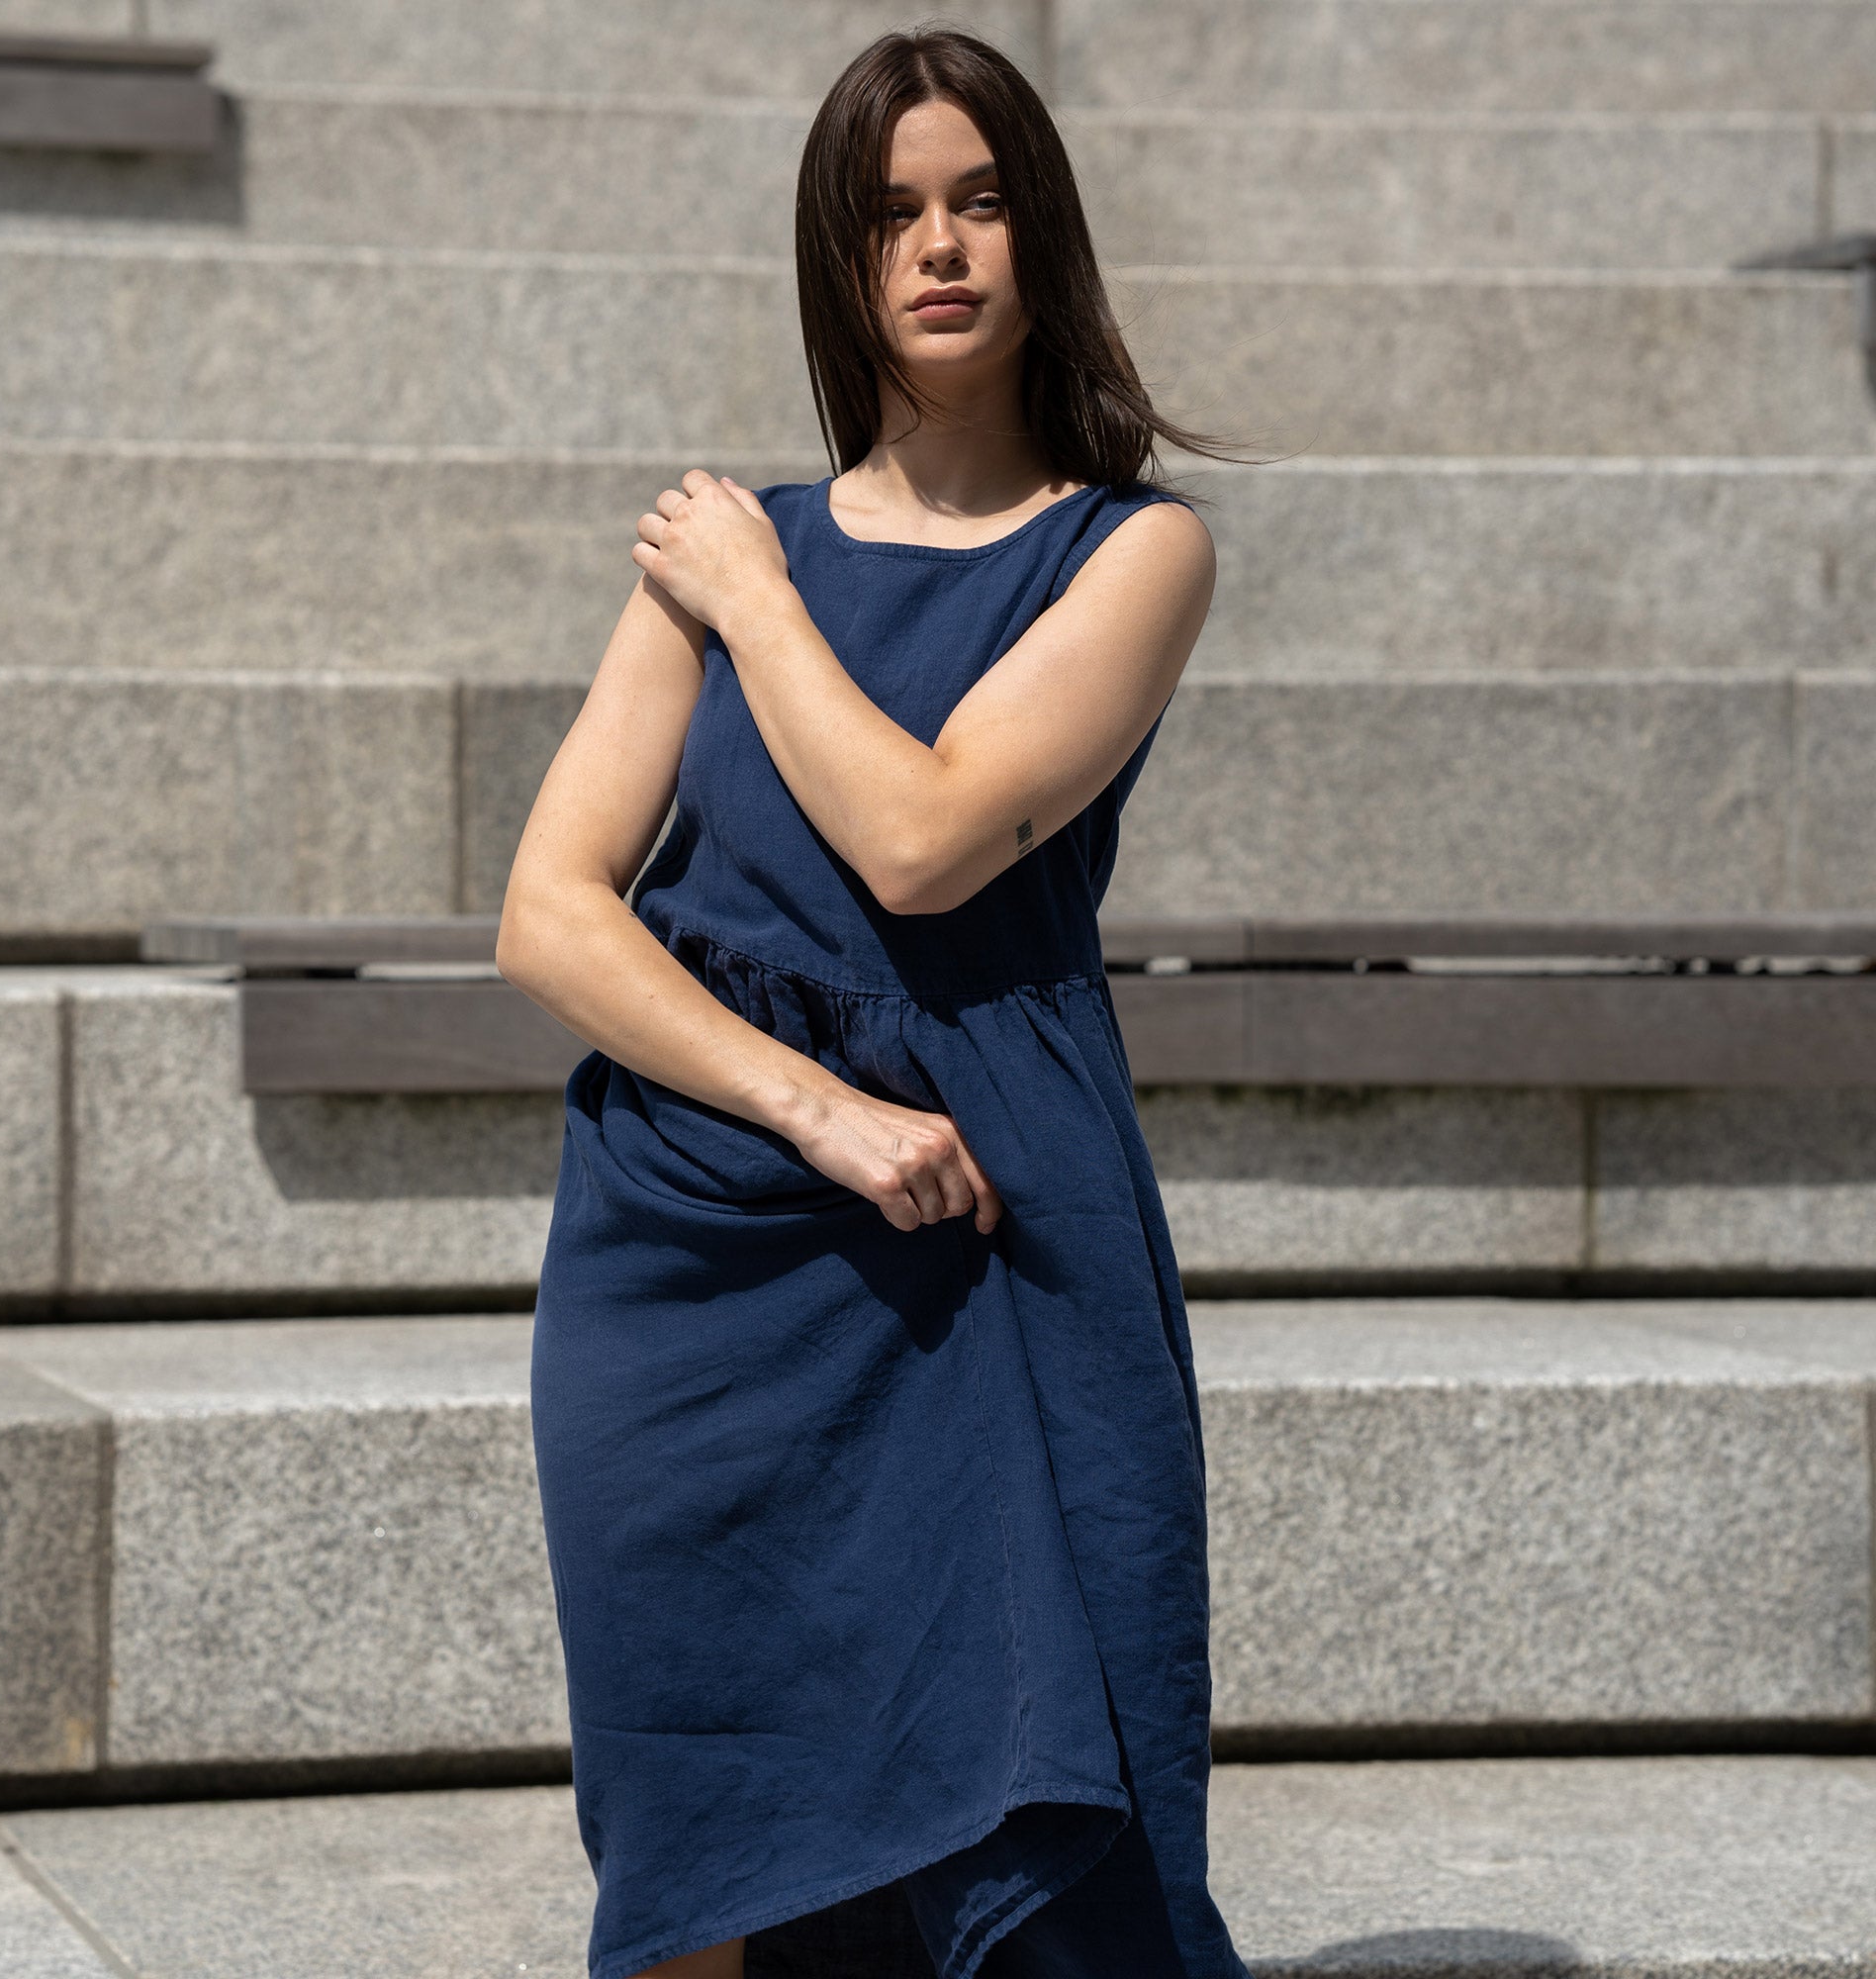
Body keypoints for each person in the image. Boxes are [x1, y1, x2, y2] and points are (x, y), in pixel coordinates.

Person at [497, 23, 1265, 1979]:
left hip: (997, 1222)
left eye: (980, 200)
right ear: (837, 263)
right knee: (696, 1805)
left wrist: (764, 603)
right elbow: (552, 916)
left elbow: (923, 844)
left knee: (1036, 1801)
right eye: (889, 212)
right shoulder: (726, 541)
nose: (939, 246)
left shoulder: (1132, 551)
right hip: (696, 1232)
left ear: (1042, 237)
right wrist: (813, 1110)